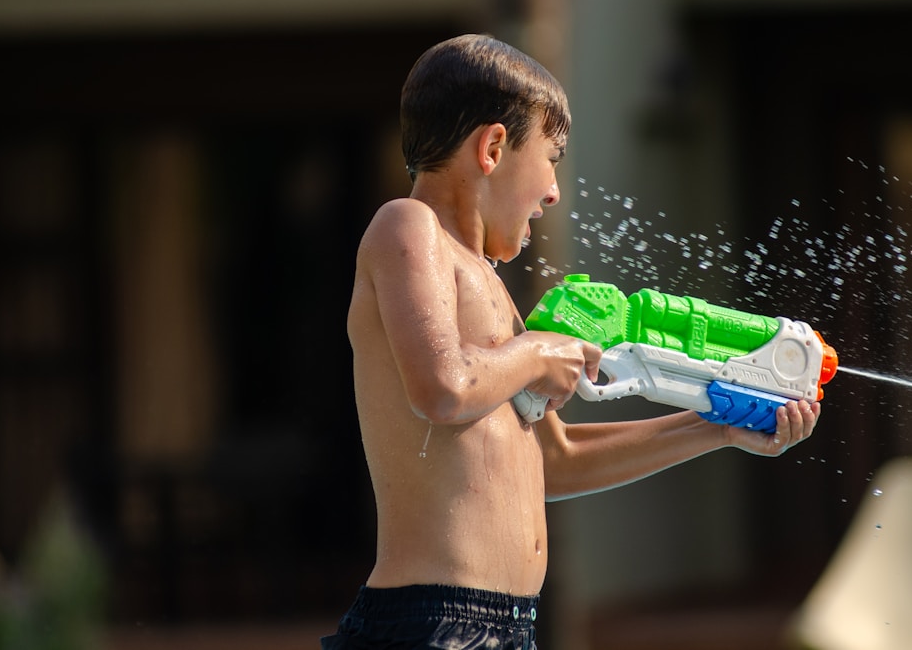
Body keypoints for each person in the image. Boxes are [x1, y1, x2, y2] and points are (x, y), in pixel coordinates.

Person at [322, 34, 820, 649]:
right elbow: (443, 388)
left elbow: (555, 462)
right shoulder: (406, 226)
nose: (554, 190)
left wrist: (716, 428)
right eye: (552, 157)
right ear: (494, 147)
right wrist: (540, 349)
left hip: (505, 628)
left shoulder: (493, 289)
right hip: (428, 624)